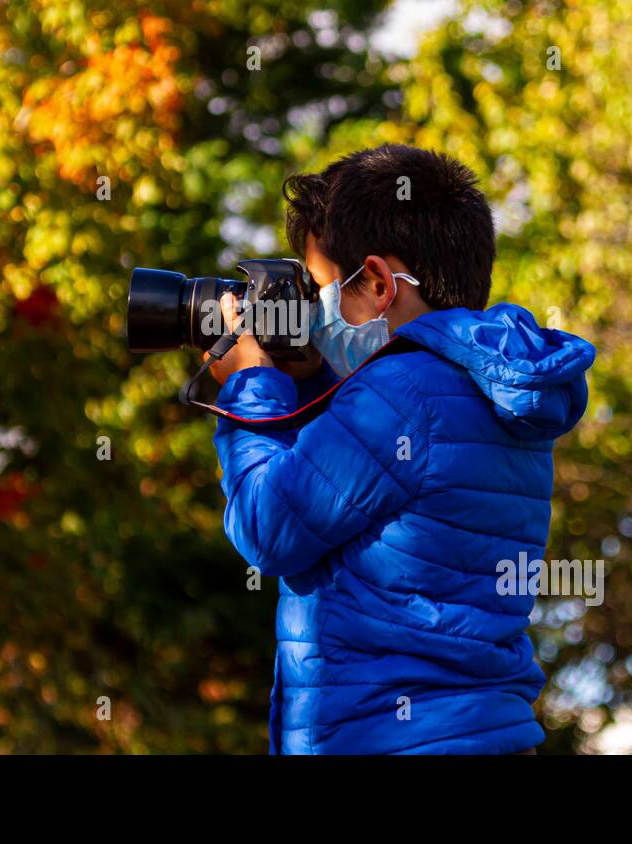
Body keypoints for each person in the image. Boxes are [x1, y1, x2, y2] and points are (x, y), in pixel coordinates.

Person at [206, 144, 595, 754]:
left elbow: (269, 526)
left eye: (319, 288)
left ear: (381, 283)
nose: (311, 312)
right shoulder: (483, 387)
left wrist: (252, 381)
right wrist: (309, 380)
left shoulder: (400, 392)